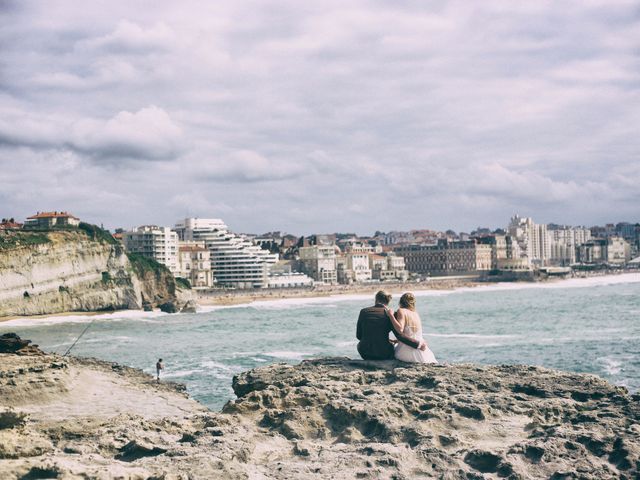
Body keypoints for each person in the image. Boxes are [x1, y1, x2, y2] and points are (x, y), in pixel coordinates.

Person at [356, 290, 427, 360]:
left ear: (376, 299)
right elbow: (400, 336)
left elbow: (359, 336)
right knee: (392, 347)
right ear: (389, 301)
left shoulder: (363, 312)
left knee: (360, 344)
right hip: (383, 354)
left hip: (365, 353)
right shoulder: (390, 314)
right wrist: (418, 344)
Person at [389, 293, 437, 363]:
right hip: (421, 353)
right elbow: (412, 334)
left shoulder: (401, 311)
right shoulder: (415, 314)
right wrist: (397, 340)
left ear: (401, 302)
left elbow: (400, 329)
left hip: (406, 353)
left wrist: (391, 315)